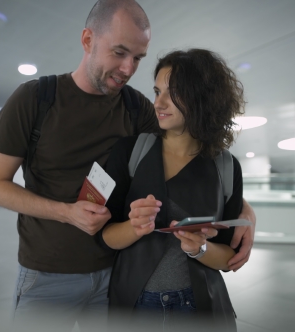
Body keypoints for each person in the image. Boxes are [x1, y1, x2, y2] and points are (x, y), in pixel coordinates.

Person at [0, 0, 255, 330]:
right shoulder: (35, 99)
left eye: (137, 57)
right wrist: (66, 212)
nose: (128, 68)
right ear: (87, 40)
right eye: (119, 52)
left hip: (116, 277)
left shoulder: (135, 107)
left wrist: (242, 208)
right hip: (49, 275)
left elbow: (189, 154)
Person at [100, 48, 246, 332]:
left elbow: (229, 258)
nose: (159, 102)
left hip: (200, 308)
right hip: (135, 306)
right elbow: (105, 236)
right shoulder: (131, 151)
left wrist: (200, 248)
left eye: (173, 92)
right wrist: (134, 227)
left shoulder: (226, 166)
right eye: (157, 92)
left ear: (202, 97)